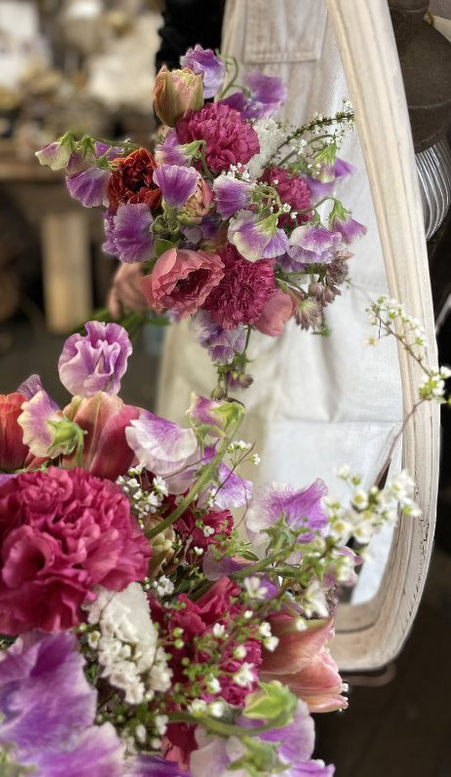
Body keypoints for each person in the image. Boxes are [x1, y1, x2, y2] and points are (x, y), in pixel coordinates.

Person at [108, 0, 402, 523]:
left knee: (329, 525)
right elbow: (184, 49)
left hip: (371, 252)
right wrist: (159, 226)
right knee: (201, 506)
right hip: (216, 251)